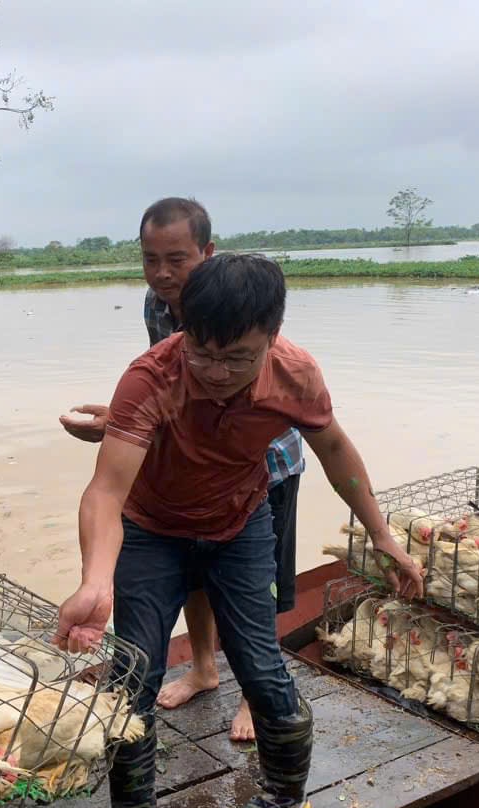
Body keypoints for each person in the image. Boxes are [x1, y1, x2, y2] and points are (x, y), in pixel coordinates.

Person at [54, 254, 423, 808]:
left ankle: (284, 798)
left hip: (239, 525)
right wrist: (96, 580)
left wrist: (382, 533)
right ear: (182, 328)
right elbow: (107, 492)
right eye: (204, 353)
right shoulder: (150, 378)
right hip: (151, 530)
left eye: (240, 358)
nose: (218, 373)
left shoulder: (296, 374)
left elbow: (334, 449)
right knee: (132, 676)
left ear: (272, 338)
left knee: (259, 663)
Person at [60, 196, 306, 742]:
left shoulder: (245, 308)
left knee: (257, 590)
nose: (164, 273)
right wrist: (125, 424)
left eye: (177, 259)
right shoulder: (156, 306)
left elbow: (272, 395)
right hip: (193, 470)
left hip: (265, 464)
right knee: (195, 567)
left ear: (208, 255)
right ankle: (203, 666)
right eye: (151, 259)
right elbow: (172, 386)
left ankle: (251, 693)